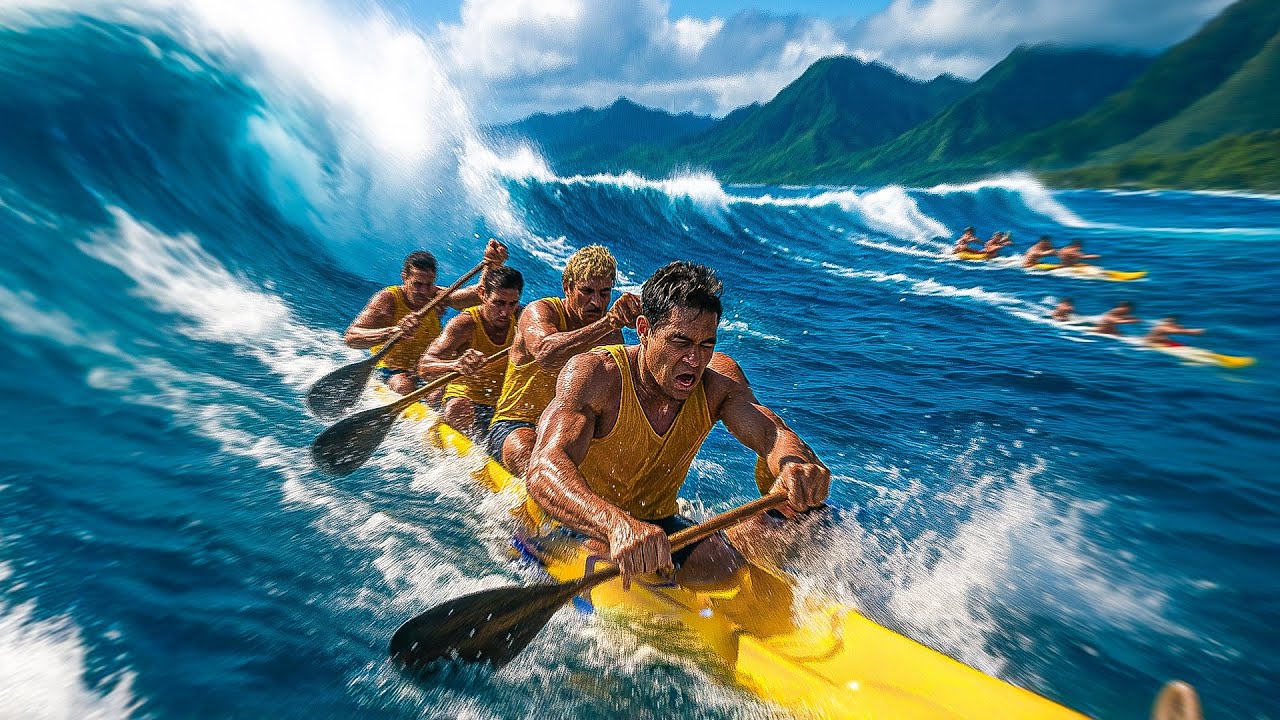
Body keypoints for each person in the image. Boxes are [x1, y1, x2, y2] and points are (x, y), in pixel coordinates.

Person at [525, 261, 830, 589]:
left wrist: (795, 465)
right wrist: (615, 525)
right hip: (579, 521)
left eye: (706, 345)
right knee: (615, 561)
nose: (695, 360)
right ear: (644, 330)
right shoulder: (596, 374)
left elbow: (772, 433)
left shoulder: (718, 382)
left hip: (655, 525)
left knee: (767, 543)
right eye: (680, 342)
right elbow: (544, 468)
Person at [487, 245, 641, 475]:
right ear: (567, 288)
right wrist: (607, 323)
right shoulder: (539, 312)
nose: (597, 303)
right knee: (527, 448)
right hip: (516, 425)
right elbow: (547, 355)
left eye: (604, 293)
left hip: (568, 429)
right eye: (587, 291)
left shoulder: (612, 337)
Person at [344, 239, 508, 395]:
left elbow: (476, 296)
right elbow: (351, 337)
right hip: (392, 369)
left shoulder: (436, 295)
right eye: (417, 284)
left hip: (429, 367)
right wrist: (392, 332)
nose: (423, 291)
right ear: (405, 277)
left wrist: (491, 265)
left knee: (442, 393)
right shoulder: (388, 299)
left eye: (428, 284)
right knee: (403, 386)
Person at [418, 266, 524, 436]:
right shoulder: (464, 324)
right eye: (498, 303)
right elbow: (424, 366)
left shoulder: (524, 319)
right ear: (483, 294)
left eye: (512, 304)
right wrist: (456, 365)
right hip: (465, 399)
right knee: (458, 408)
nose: (505, 312)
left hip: (503, 404)